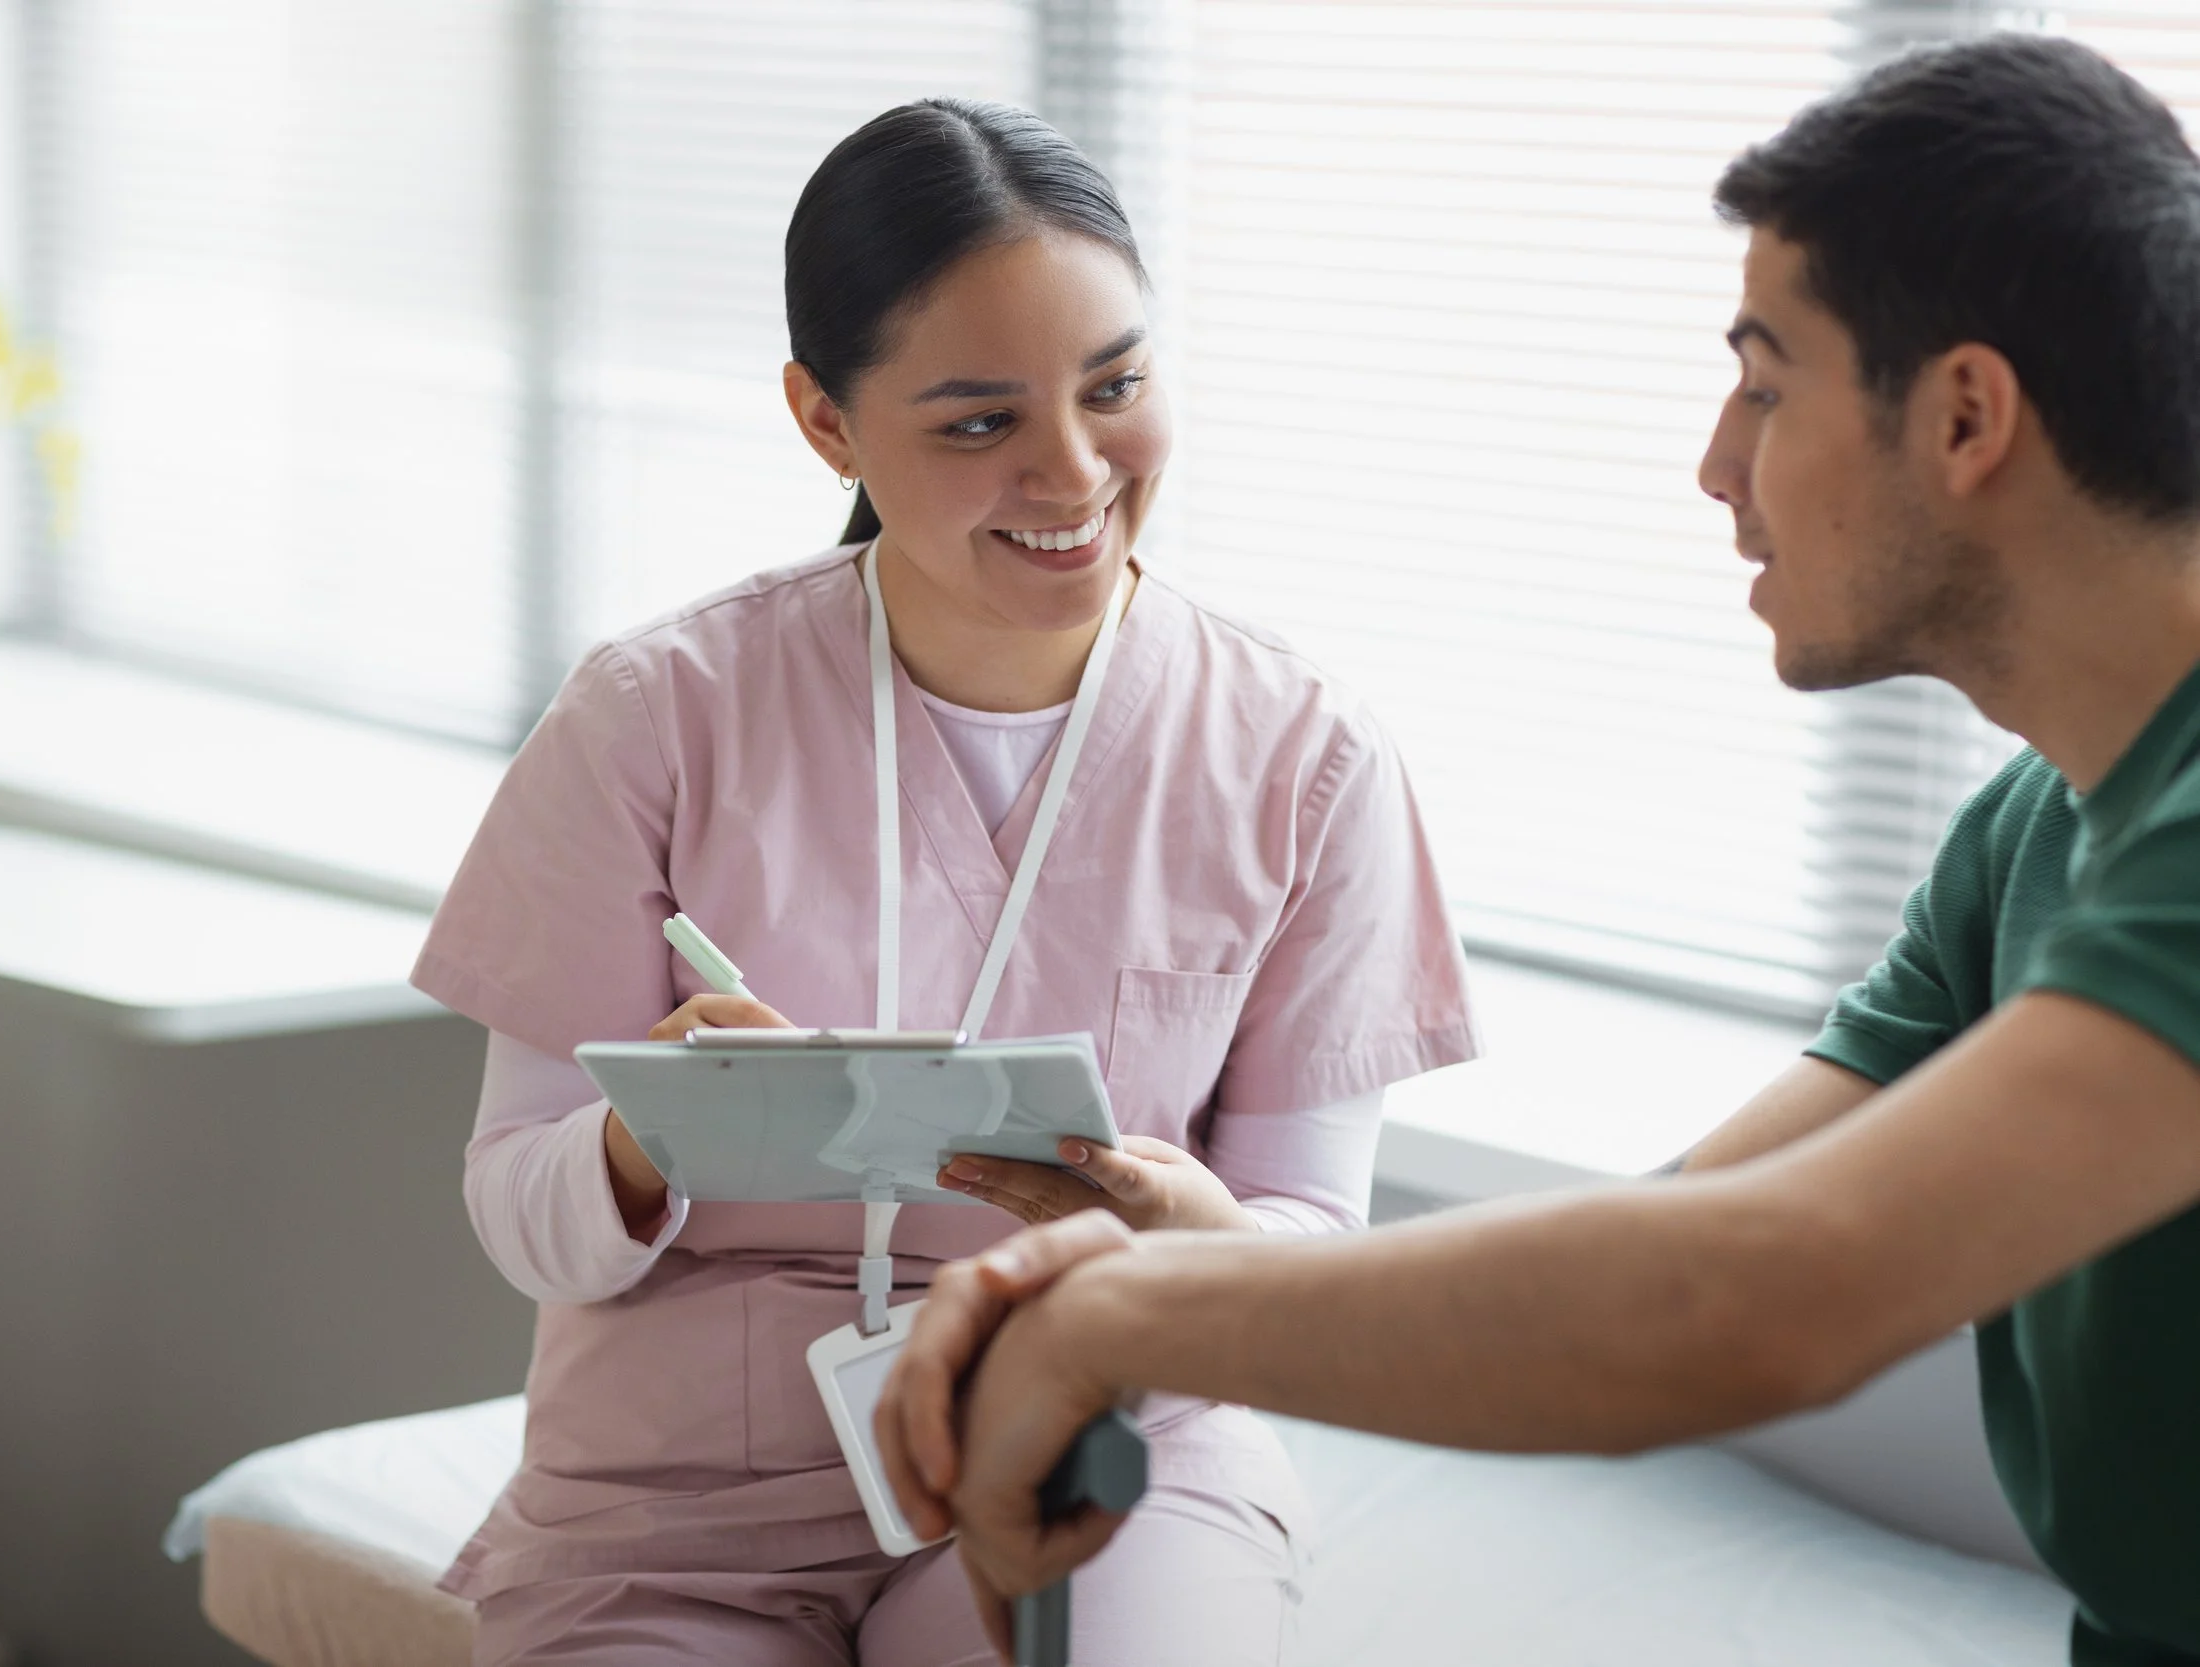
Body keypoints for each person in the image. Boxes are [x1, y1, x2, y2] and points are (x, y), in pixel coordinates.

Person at [879, 35, 2200, 1667]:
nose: (1720, 464)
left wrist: (1112, 1321)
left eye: (1769, 385)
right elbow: (1668, 1248)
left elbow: (1758, 1300)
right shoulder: (2027, 837)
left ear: (1968, 414)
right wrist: (1217, 1260)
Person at [409, 98, 1476, 1667]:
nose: (1072, 471)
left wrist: (1198, 1234)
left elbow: (1307, 1234)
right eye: (980, 422)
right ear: (826, 422)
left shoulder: (1302, 754)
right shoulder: (657, 717)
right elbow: (525, 1216)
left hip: (1102, 1442)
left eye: (1113, 388)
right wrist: (644, 1139)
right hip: (679, 1503)